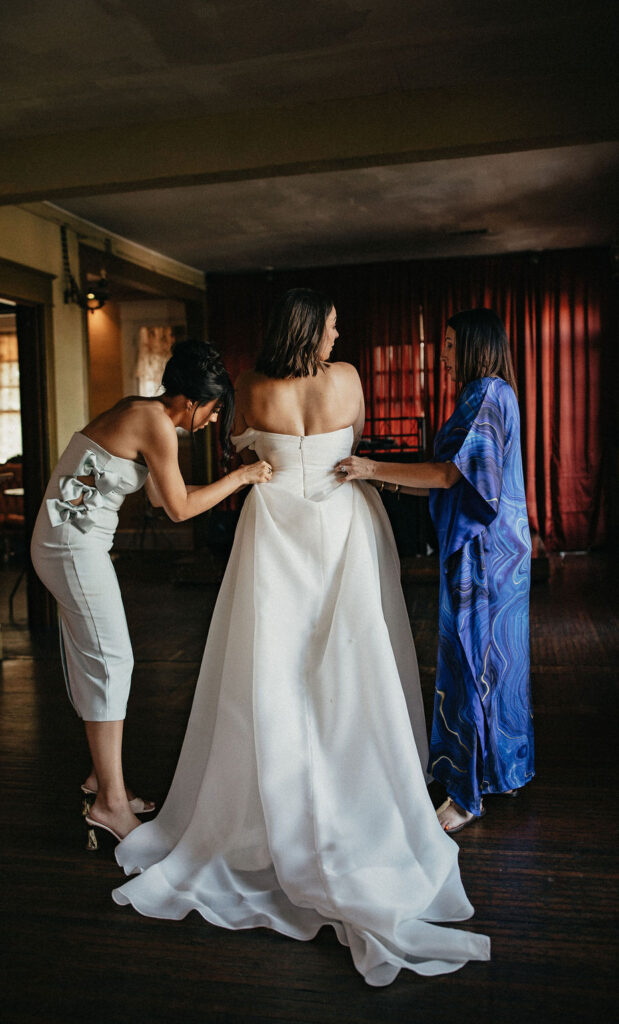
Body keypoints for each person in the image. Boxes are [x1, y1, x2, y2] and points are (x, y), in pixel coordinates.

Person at [112, 289, 490, 986]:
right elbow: (350, 441)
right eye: (333, 326)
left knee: (272, 665)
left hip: (275, 529)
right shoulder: (345, 381)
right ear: (312, 331)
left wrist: (267, 451)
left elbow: (236, 444)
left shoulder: (252, 388)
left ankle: (261, 805)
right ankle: (360, 790)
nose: (338, 334)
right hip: (344, 523)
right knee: (352, 663)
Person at [30, 340, 272, 846]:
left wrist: (234, 482)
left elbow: (165, 499)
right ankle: (110, 805)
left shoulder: (143, 412)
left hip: (67, 540)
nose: (212, 421)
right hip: (71, 546)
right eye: (213, 410)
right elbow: (181, 510)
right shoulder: (157, 423)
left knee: (98, 659)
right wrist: (244, 477)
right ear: (190, 402)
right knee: (111, 659)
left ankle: (103, 779)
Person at [337, 307, 534, 835]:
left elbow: (451, 474)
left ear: (473, 346)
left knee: (473, 661)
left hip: (485, 554)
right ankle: (499, 771)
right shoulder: (487, 394)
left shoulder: (489, 393)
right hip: (496, 551)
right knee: (494, 666)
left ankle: (467, 796)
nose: (441, 355)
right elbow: (445, 479)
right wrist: (376, 479)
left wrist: (372, 466)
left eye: (448, 345)